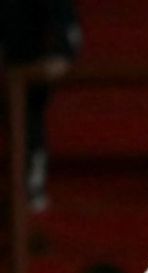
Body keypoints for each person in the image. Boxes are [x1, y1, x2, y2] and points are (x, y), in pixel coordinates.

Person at [0, 0, 82, 210]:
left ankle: (31, 187)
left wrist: (63, 51)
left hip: (25, 75)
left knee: (28, 120)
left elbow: (64, 24)